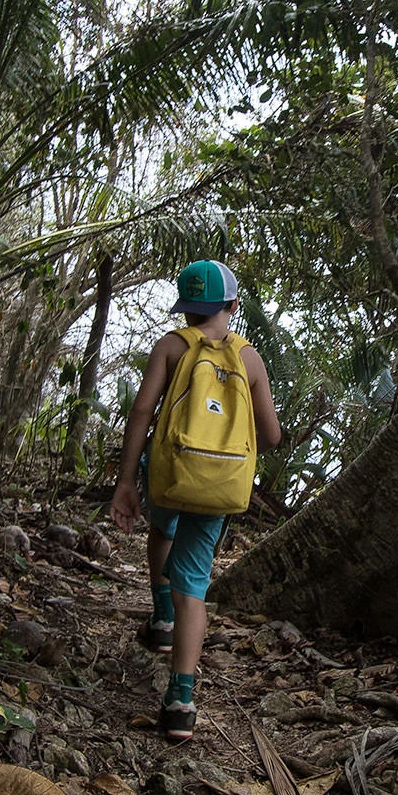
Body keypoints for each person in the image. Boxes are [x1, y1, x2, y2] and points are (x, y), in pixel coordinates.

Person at [111, 260, 282, 741]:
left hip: (169, 472)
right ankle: (181, 700)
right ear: (232, 305)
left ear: (186, 309)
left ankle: (161, 619)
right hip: (220, 486)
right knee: (195, 582)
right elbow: (270, 435)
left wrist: (126, 481)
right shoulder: (250, 360)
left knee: (162, 529)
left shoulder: (170, 346)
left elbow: (142, 411)